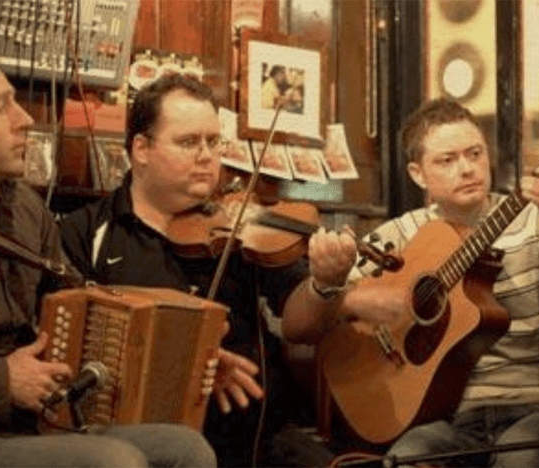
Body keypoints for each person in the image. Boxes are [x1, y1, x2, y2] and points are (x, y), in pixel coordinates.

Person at [0, 45, 215, 467]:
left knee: (187, 450)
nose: (26, 119)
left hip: (32, 424)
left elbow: (77, 298)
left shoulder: (25, 209)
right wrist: (0, 381)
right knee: (113, 462)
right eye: (2, 108)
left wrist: (189, 352)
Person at [282, 98, 539, 467]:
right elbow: (298, 326)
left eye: (475, 153)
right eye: (447, 160)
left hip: (534, 412)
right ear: (418, 174)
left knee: (520, 457)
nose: (467, 169)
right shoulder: (400, 235)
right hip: (443, 417)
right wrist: (342, 296)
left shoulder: (533, 222)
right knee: (407, 458)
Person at [58, 73, 357, 467]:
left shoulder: (245, 229)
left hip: (260, 435)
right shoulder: (85, 232)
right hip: (143, 442)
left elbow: (301, 325)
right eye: (188, 142)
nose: (207, 155)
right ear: (141, 148)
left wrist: (326, 284)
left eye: (213, 142)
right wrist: (188, 361)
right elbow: (71, 347)